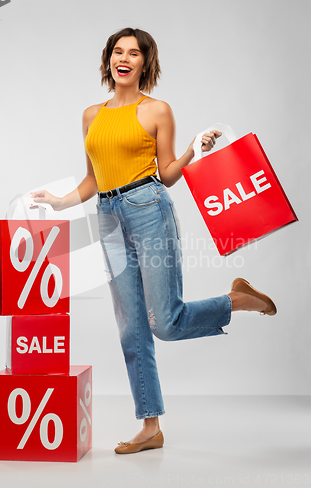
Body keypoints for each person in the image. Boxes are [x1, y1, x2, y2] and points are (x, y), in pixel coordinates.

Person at [31, 28, 277, 455]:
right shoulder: (92, 115)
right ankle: (150, 427)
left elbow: (165, 174)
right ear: (108, 59)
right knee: (131, 330)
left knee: (165, 321)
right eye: (117, 51)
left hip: (149, 209)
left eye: (134, 53)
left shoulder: (157, 110)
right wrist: (59, 201)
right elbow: (94, 178)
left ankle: (237, 300)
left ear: (146, 62)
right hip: (106, 217)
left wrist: (192, 152)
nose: (123, 58)